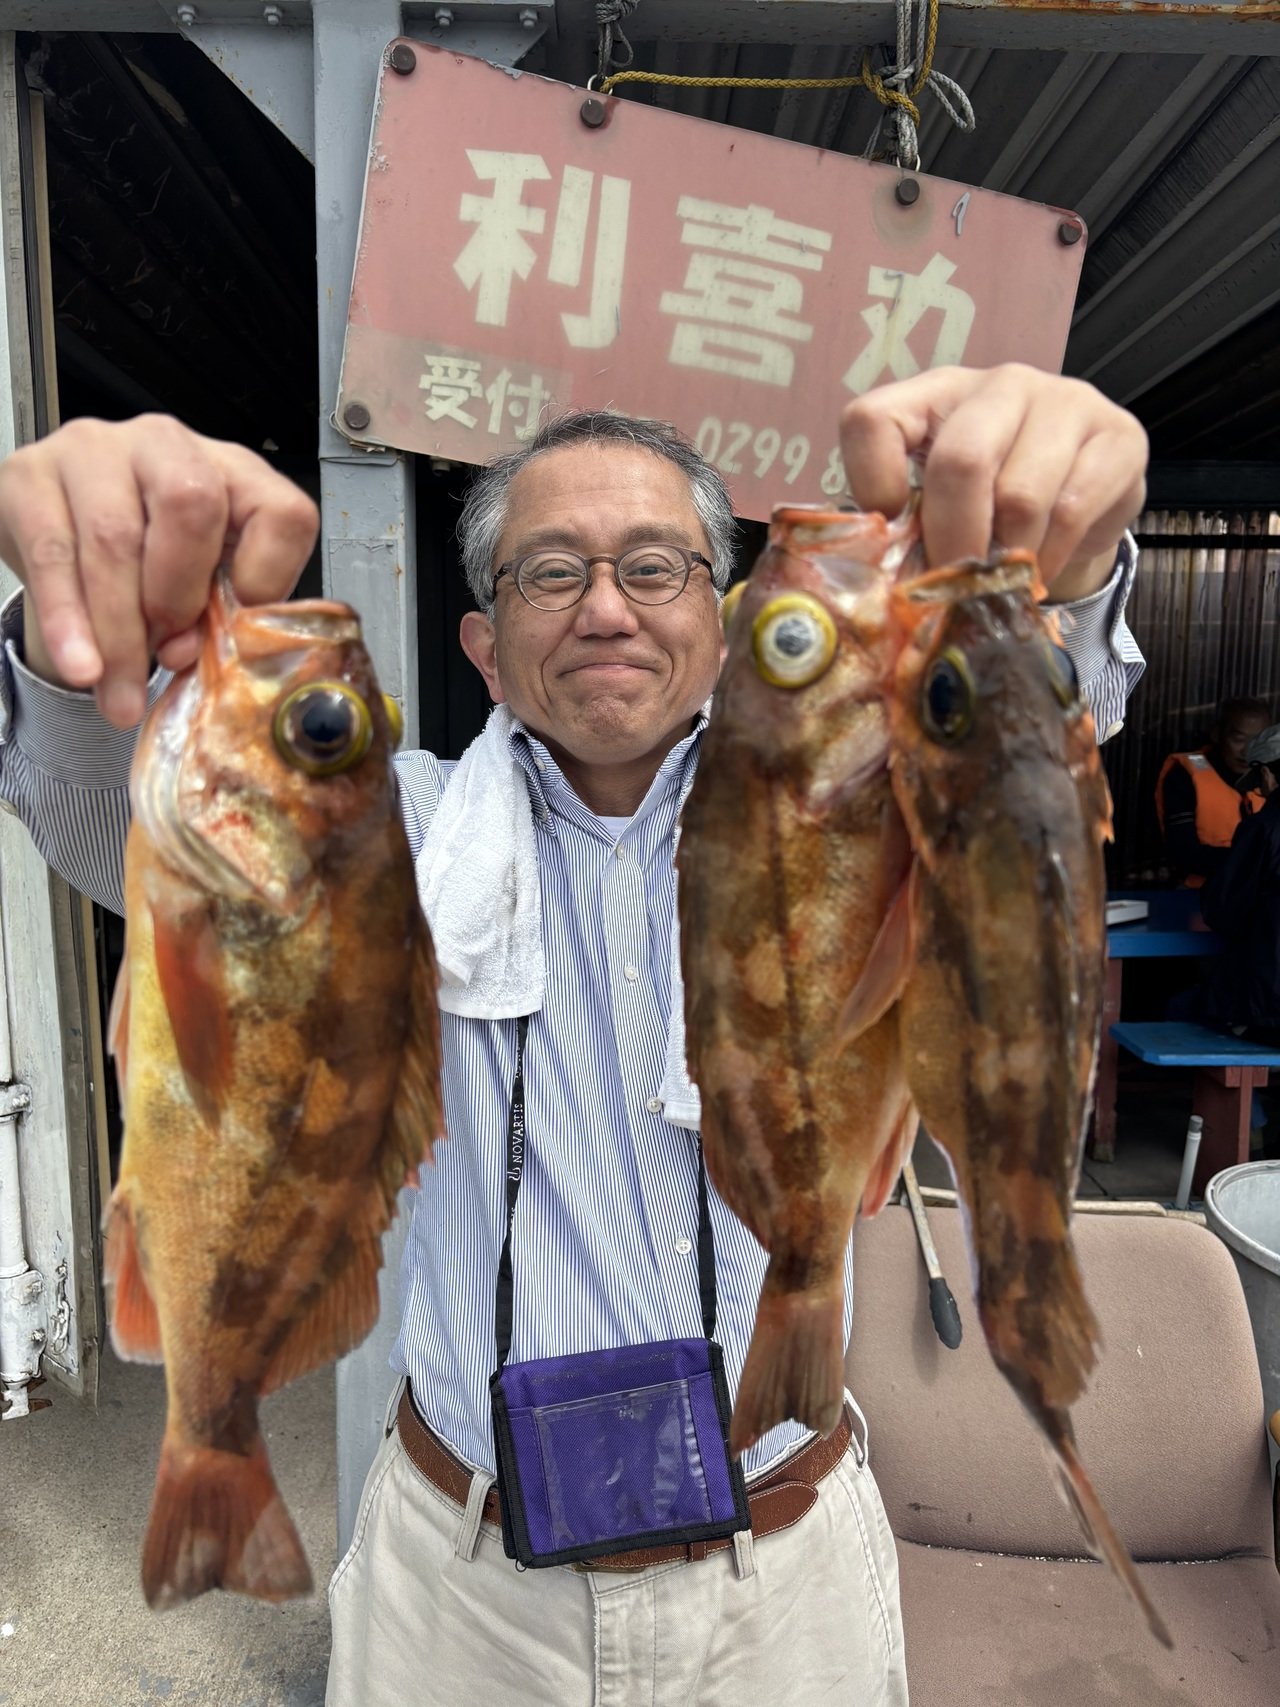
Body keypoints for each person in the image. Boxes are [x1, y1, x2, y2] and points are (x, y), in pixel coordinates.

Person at [0, 364, 1148, 1706]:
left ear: (723, 622)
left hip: (781, 1573)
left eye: (655, 566)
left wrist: (1071, 562)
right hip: (464, 1583)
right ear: (486, 645)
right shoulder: (378, 831)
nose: (606, 605)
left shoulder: (850, 811)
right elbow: (113, 818)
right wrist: (71, 642)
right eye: (550, 573)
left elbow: (1020, 750)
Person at [1196, 724, 1280, 1047]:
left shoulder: (1263, 828)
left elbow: (1222, 913)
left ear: (1267, 774)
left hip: (1267, 1014)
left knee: (1179, 1007)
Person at [1156, 695, 1269, 885]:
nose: (1248, 751)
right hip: (1201, 893)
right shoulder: (1184, 776)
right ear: (1217, 734)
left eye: (1258, 741)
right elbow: (1184, 854)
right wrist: (1256, 862)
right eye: (1239, 740)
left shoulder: (1270, 777)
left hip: (1261, 892)